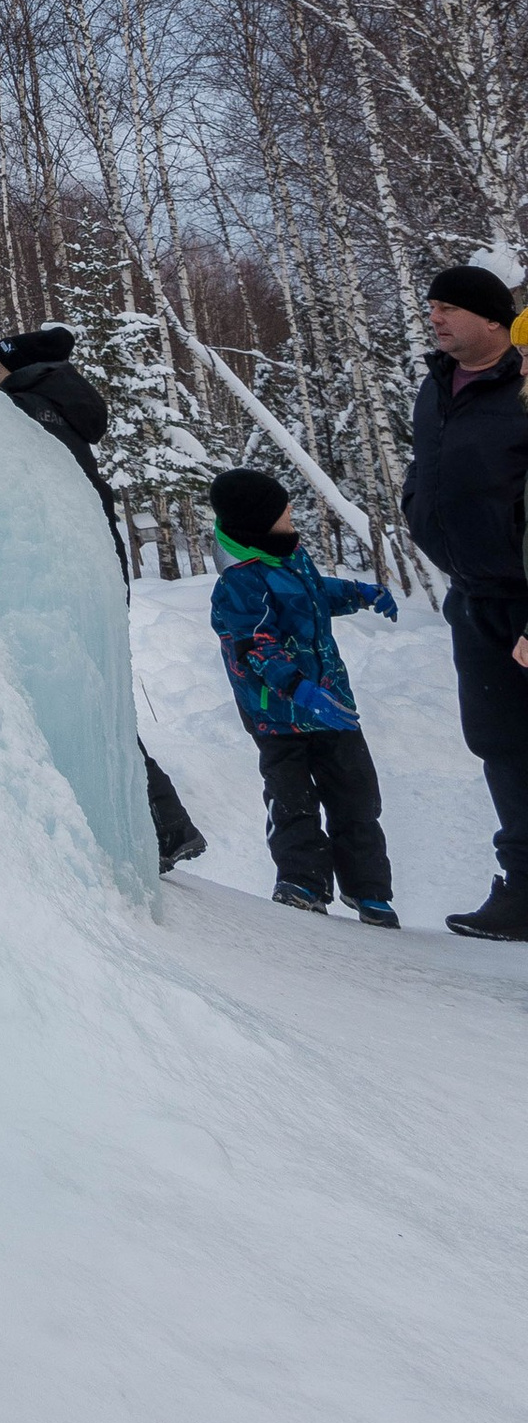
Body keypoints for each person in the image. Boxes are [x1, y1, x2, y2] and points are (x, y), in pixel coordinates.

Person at [0, 322, 208, 873]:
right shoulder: (57, 409)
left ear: (17, 368)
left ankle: (156, 826)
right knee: (88, 693)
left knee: (74, 695)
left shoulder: (30, 411)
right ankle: (164, 825)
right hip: (91, 568)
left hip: (60, 571)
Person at [205, 466, 398, 923]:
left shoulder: (290, 555)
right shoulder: (239, 582)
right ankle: (302, 882)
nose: (290, 509)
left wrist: (360, 593)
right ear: (257, 521)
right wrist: (295, 687)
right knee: (292, 801)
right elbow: (255, 643)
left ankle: (367, 888)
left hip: (330, 702)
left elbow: (313, 593)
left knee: (356, 795)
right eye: (281, 507)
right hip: (277, 713)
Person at [400, 260, 528, 938]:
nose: (435, 318)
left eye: (449, 307)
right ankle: (524, 888)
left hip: (523, 594)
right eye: (432, 307)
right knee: (500, 742)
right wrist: (416, 506)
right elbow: (427, 466)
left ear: (493, 319)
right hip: (472, 596)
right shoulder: (435, 386)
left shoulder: (523, 385)